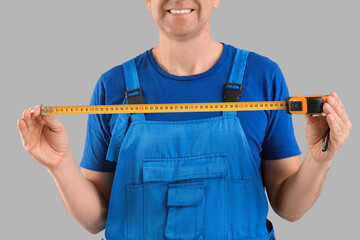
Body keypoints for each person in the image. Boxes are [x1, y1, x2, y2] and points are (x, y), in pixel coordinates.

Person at [18, 0, 352, 239]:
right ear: (147, 1)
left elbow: (289, 207)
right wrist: (59, 163)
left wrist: (319, 160)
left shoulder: (262, 77)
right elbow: (97, 218)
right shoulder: (112, 86)